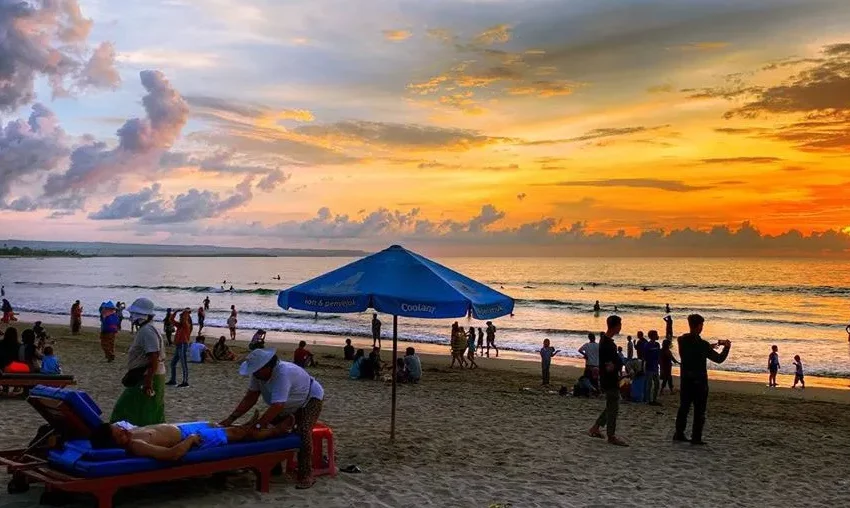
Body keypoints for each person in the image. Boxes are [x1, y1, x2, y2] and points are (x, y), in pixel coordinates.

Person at [219, 349, 324, 489]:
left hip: (310, 399)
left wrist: (258, 426)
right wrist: (231, 418)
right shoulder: (258, 374)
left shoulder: (282, 373)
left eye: (256, 371)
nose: (254, 373)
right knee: (269, 431)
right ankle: (274, 467)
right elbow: (250, 397)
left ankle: (306, 474)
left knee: (304, 431)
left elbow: (277, 406)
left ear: (267, 367)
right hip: (287, 404)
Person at [88, 418, 294, 460]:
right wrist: (191, 439)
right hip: (190, 436)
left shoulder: (129, 434)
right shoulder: (137, 445)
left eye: (120, 428)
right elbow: (172, 454)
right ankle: (275, 432)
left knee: (218, 425)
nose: (124, 431)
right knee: (236, 434)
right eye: (120, 433)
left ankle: (250, 427)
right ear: (115, 442)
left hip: (182, 428)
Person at [674, 314, 731, 445]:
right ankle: (696, 437)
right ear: (699, 326)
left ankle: (679, 433)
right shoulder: (702, 345)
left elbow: (694, 347)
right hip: (699, 381)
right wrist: (726, 347)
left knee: (684, 407)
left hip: (686, 379)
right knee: (699, 410)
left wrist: (708, 347)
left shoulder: (682, 340)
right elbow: (719, 359)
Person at [111, 298, 166, 427]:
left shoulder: (147, 331)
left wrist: (148, 382)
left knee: (133, 408)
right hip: (147, 374)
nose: (131, 317)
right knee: (146, 409)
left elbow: (154, 356)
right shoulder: (148, 329)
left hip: (146, 375)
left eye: (134, 314)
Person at [588, 315, 627, 446]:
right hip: (609, 379)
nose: (621, 327)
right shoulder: (608, 344)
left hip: (608, 377)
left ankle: (596, 427)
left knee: (611, 405)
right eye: (620, 325)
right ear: (616, 326)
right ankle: (611, 436)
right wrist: (617, 367)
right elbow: (609, 366)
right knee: (613, 407)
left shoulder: (605, 340)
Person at [167, 308, 192, 387]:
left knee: (183, 364)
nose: (180, 319)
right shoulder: (180, 325)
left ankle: (185, 382)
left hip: (183, 345)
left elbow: (184, 319)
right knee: (173, 363)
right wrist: (176, 311)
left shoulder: (186, 325)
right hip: (179, 345)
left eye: (181, 318)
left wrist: (185, 312)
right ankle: (173, 380)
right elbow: (171, 319)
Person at [643, 330, 662, 405]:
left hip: (655, 367)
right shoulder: (647, 345)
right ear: (652, 336)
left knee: (657, 384)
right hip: (649, 367)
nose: (657, 336)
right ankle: (648, 400)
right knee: (649, 384)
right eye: (656, 334)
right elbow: (645, 357)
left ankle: (654, 399)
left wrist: (660, 364)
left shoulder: (657, 344)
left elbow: (659, 355)